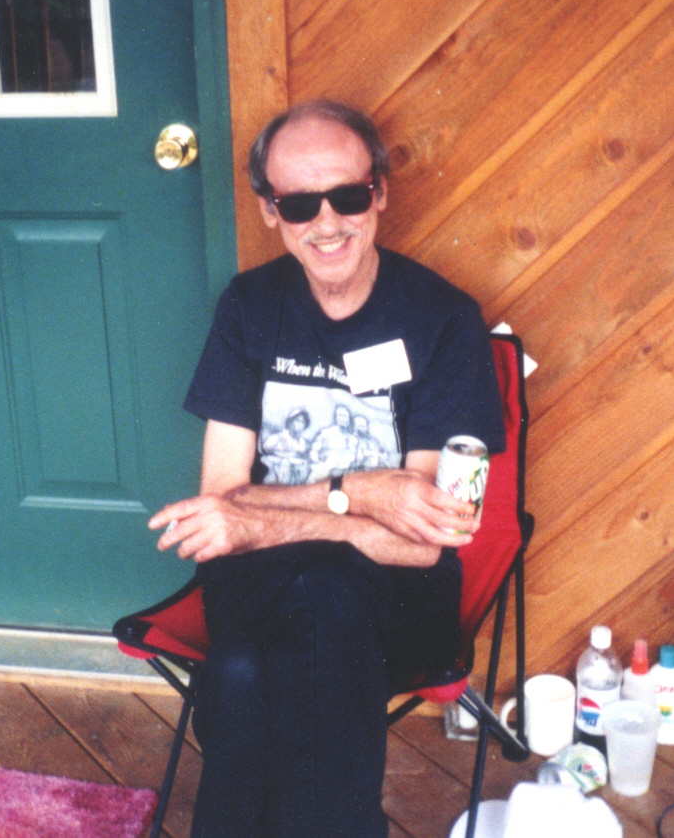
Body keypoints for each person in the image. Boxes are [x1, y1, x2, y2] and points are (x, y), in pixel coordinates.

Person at [149, 100, 505, 838]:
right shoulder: (249, 307)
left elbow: (421, 543)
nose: (327, 222)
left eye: (347, 195)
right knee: (264, 652)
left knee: (257, 659)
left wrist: (263, 519)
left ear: (379, 192)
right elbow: (220, 503)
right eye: (299, 203)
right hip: (260, 586)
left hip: (395, 603)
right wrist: (359, 494)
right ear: (269, 210)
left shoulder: (443, 320)